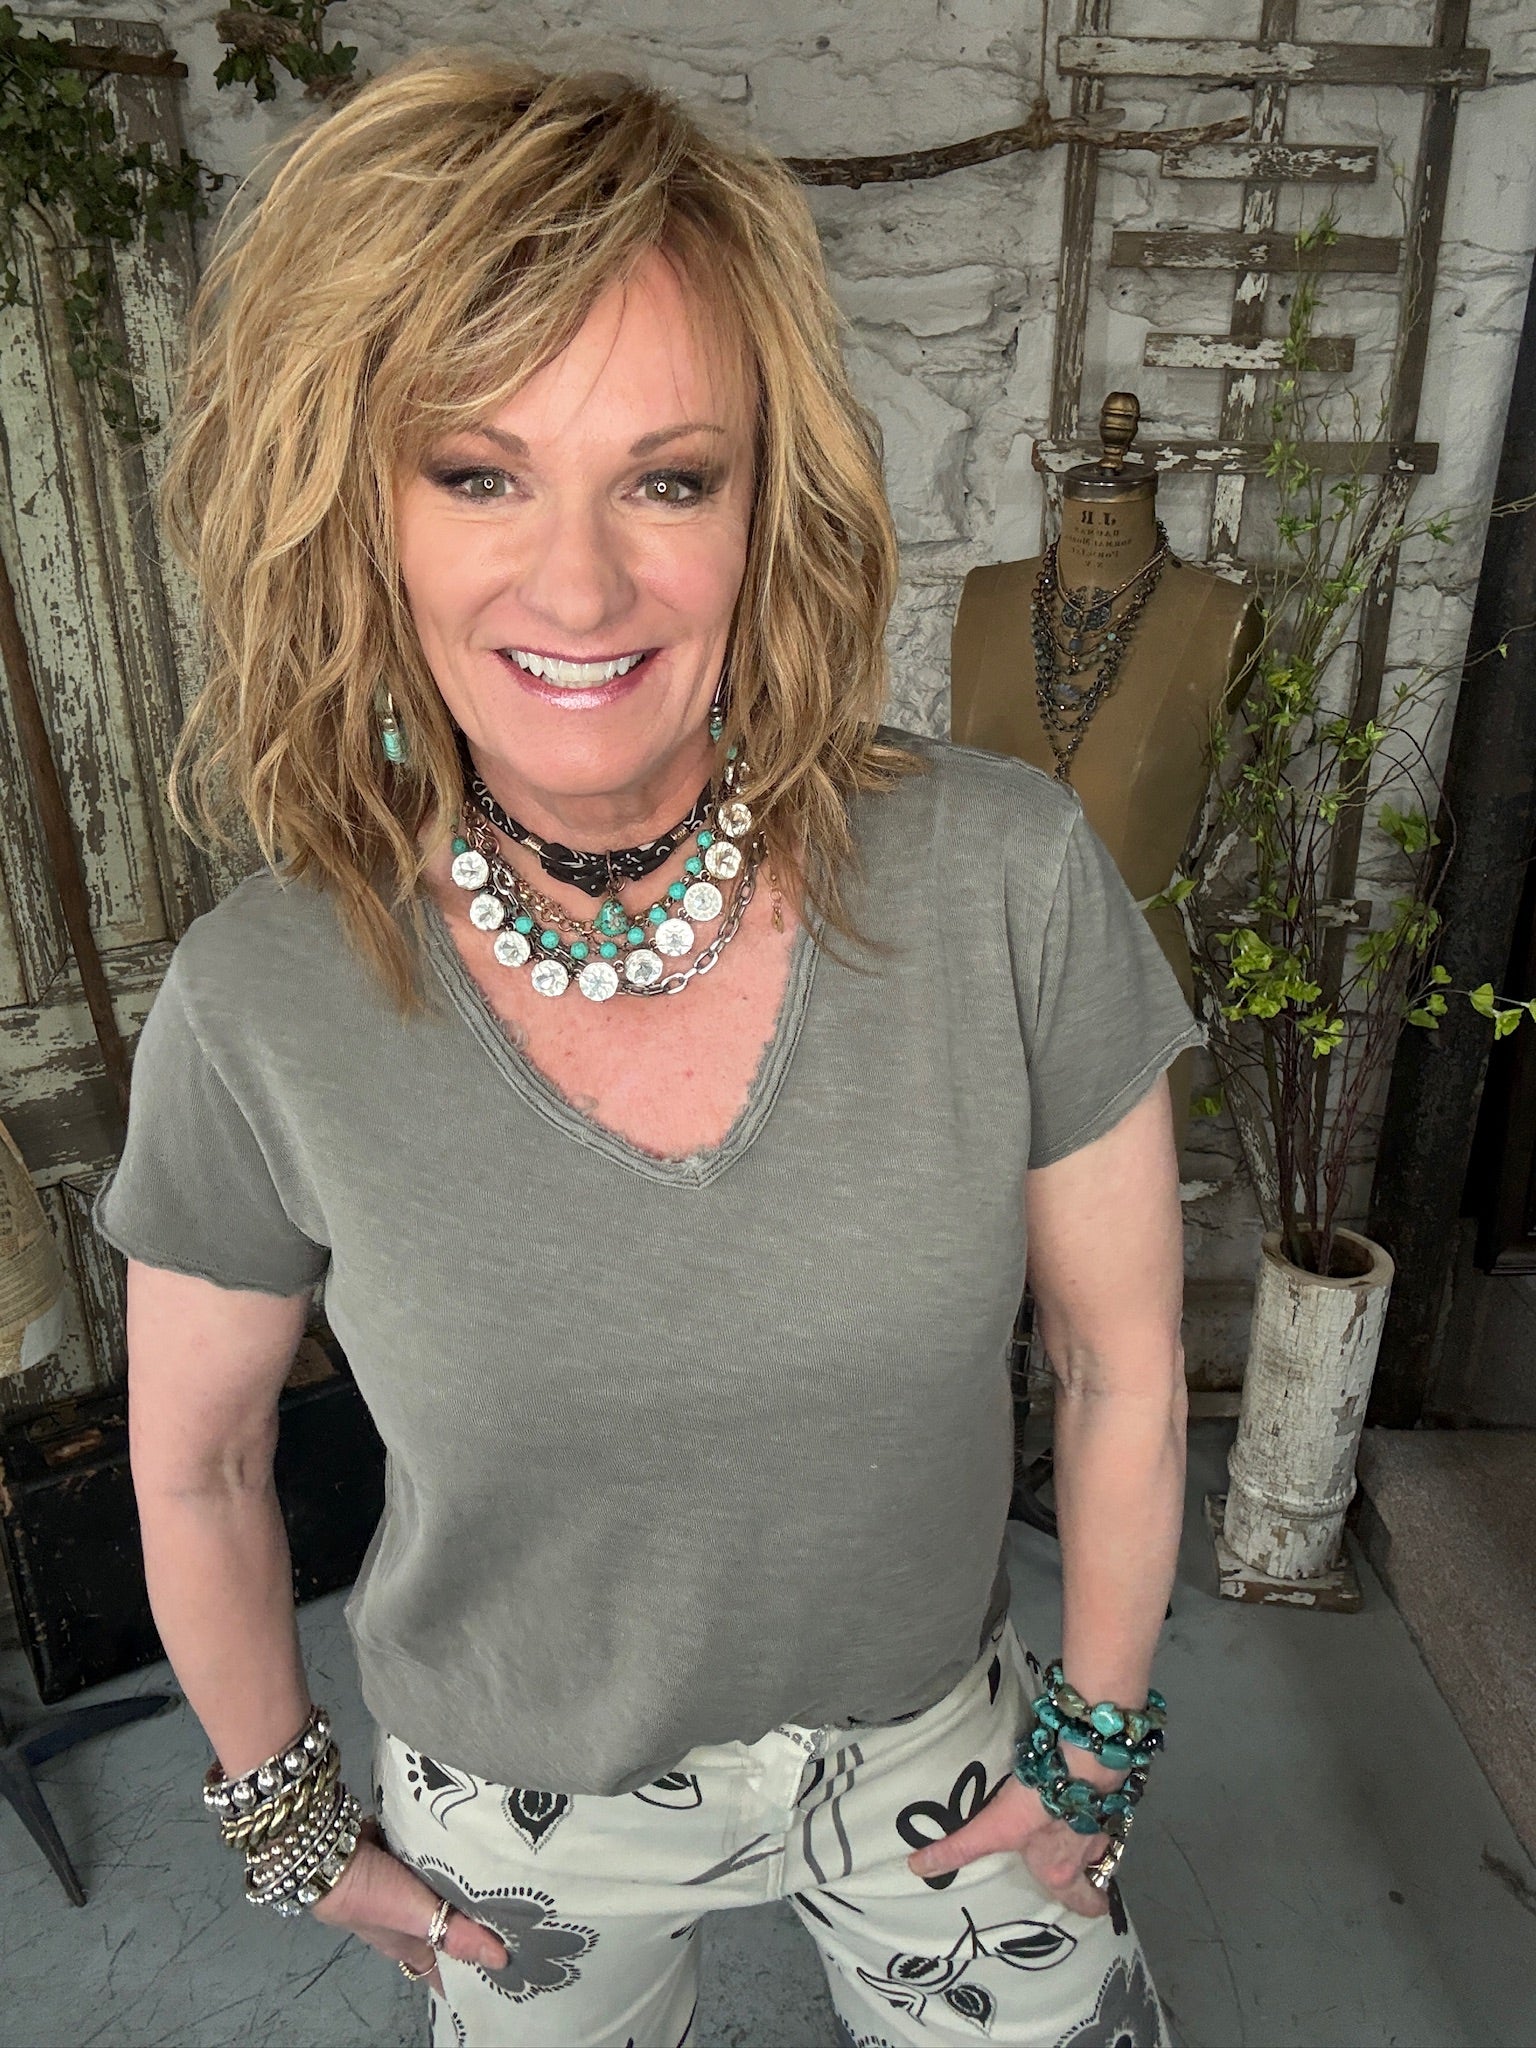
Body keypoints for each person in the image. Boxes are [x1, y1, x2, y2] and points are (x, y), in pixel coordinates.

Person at [93, 51, 1200, 2048]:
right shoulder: (263, 1003)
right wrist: (290, 1823)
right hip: (518, 1812)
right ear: (357, 510)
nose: (582, 583)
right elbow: (198, 1458)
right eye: (478, 472)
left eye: (668, 478)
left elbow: (1121, 1362)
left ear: (768, 505)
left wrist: (1098, 1737)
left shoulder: (1005, 881)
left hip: (941, 1750)